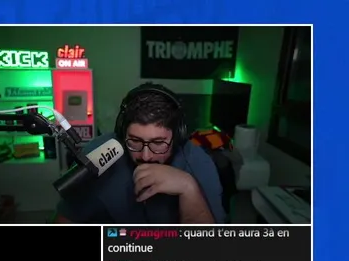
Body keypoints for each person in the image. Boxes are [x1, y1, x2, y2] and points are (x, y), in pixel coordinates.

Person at [55, 83, 226, 224]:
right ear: (122, 133)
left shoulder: (198, 162)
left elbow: (207, 247)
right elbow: (65, 219)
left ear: (177, 136)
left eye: (158, 143)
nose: (145, 156)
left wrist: (188, 188)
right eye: (135, 141)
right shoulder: (99, 153)